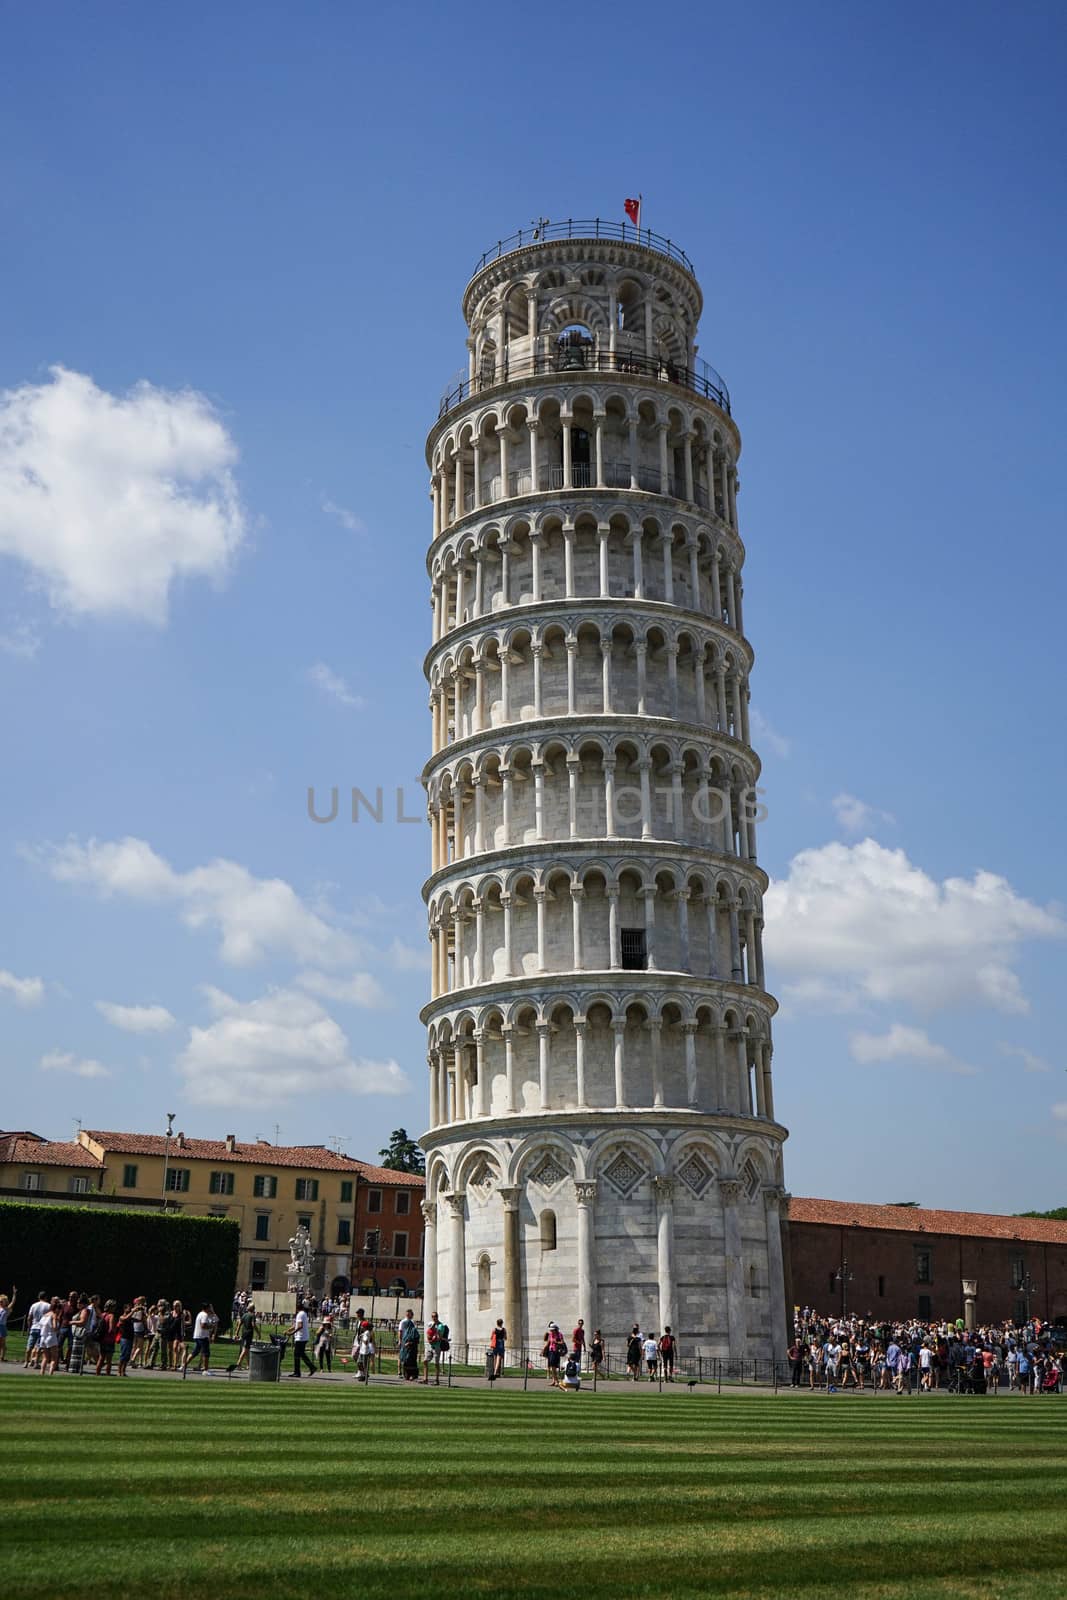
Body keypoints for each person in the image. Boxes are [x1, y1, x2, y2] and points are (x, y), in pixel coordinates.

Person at [288, 1300, 317, 1377]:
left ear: (297, 1308)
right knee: (301, 1354)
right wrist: (289, 1329)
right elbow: (297, 1325)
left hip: (301, 1337)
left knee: (297, 1354)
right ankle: (312, 1367)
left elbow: (300, 1326)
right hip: (303, 1337)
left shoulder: (300, 1314)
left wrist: (292, 1333)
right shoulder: (303, 1314)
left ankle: (297, 1372)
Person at [24, 1290, 50, 1369]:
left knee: (29, 1346)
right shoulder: (48, 1306)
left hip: (34, 1327)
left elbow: (29, 1318)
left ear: (39, 1297)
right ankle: (36, 1363)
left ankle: (26, 1362)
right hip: (42, 1328)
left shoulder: (33, 1305)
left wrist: (29, 1327)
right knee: (39, 1346)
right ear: (45, 1297)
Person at [38, 1297, 60, 1376]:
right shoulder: (54, 1315)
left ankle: (42, 1373)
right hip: (51, 1336)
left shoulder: (45, 1315)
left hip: (43, 1337)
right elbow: (54, 1327)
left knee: (45, 1358)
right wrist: (57, 1327)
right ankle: (50, 1373)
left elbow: (40, 1325)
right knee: (54, 1358)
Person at [233, 1302, 258, 1371]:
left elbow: (239, 1325)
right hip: (249, 1334)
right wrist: (258, 1333)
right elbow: (253, 1325)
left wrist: (236, 1333)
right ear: (253, 1309)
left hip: (243, 1333)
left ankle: (248, 1365)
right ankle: (238, 1364)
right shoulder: (252, 1315)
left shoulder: (244, 1315)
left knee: (247, 1349)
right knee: (245, 1350)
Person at [96, 1299, 118, 1376]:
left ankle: (97, 1374)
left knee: (101, 1358)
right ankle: (107, 1375)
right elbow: (111, 1328)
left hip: (102, 1339)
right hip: (109, 1340)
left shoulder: (102, 1315)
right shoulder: (111, 1316)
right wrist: (115, 1330)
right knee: (109, 1360)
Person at [398, 1309, 420, 1381]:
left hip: (412, 1348)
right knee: (405, 1360)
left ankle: (413, 1375)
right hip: (405, 1347)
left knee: (411, 1361)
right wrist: (401, 1341)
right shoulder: (403, 1323)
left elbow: (416, 1339)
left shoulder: (413, 1330)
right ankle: (406, 1374)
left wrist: (410, 1343)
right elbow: (400, 1332)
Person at [191, 1304, 213, 1373]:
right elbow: (203, 1325)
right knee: (206, 1353)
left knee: (195, 1352)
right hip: (203, 1337)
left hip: (197, 1336)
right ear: (207, 1308)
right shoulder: (204, 1315)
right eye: (209, 1308)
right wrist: (210, 1326)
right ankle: (205, 1370)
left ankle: (184, 1364)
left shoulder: (200, 1314)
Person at [116, 1303, 136, 1377]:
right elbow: (125, 1318)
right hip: (124, 1338)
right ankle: (119, 1371)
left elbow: (139, 1320)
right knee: (123, 1355)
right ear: (124, 1309)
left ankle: (123, 1371)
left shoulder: (131, 1317)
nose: (130, 1309)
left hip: (130, 1338)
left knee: (127, 1356)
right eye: (128, 1308)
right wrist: (133, 1311)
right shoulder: (122, 1317)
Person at [0, 1286, 16, 1362]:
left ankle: (2, 1357)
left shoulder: (7, 1309)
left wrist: (14, 1294)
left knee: (3, 1343)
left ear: (5, 1302)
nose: (1, 1302)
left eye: (2, 1301)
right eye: (0, 1301)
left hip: (2, 1327)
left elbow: (13, 1302)